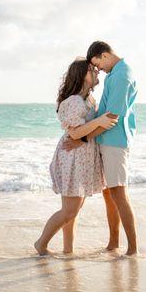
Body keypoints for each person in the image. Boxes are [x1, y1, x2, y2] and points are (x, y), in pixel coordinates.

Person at [34, 58, 118, 256]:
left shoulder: (87, 100)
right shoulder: (73, 101)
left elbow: (84, 132)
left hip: (82, 157)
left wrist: (99, 122)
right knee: (70, 210)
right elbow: (74, 133)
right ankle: (41, 244)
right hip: (72, 158)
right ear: (82, 75)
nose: (97, 72)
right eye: (92, 70)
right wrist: (100, 121)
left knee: (74, 208)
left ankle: (67, 250)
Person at [63, 41, 139, 255]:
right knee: (110, 194)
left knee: (119, 194)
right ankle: (113, 243)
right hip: (105, 141)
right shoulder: (116, 74)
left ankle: (132, 250)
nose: (99, 71)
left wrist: (83, 139)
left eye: (98, 65)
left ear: (104, 55)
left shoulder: (122, 75)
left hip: (114, 142)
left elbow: (112, 117)